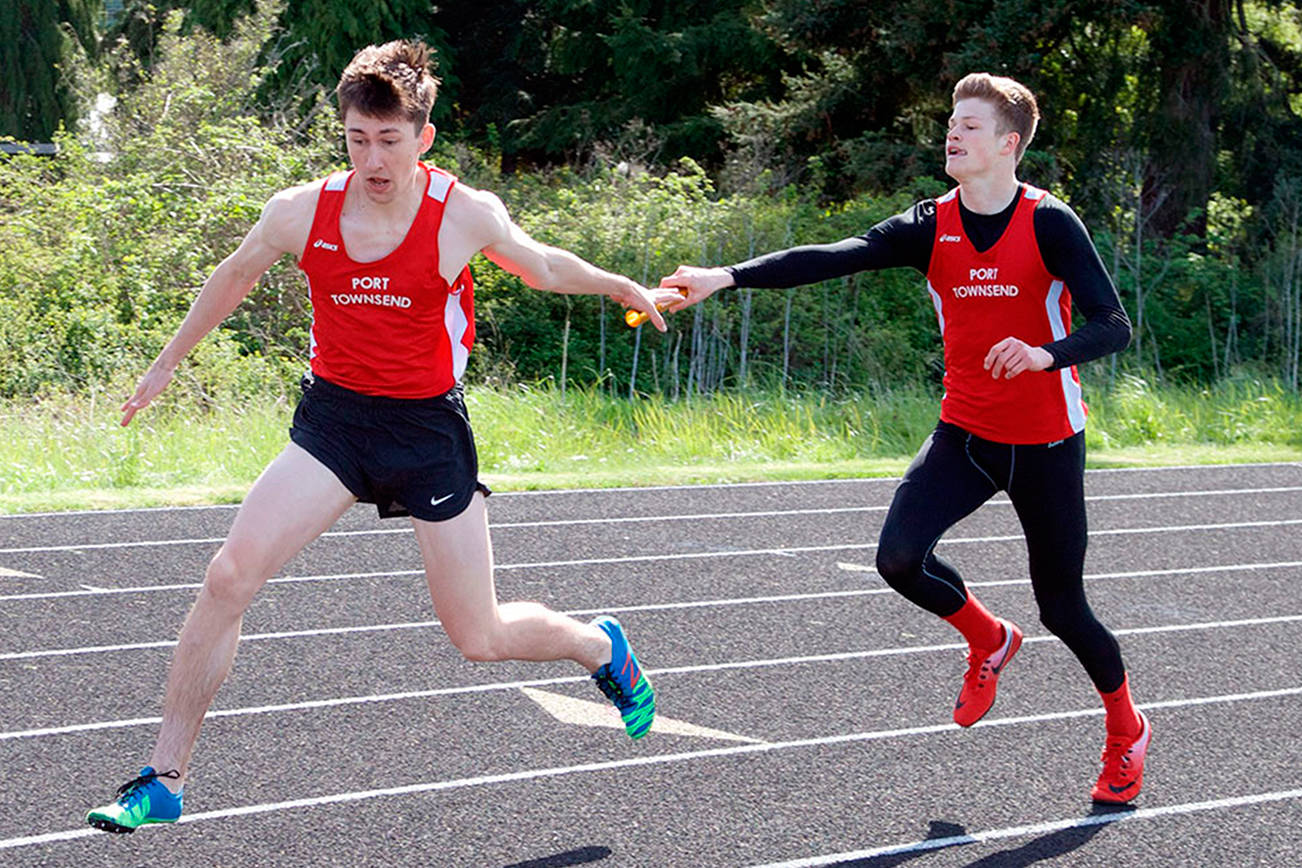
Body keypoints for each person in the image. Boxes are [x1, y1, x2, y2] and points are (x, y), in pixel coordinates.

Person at [86, 40, 660, 834]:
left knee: (479, 635)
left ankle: (598, 646)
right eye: (358, 140)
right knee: (228, 576)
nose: (373, 159)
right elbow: (234, 273)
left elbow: (541, 267)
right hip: (335, 424)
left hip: (426, 431)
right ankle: (164, 778)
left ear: (423, 137)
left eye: (389, 141)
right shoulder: (301, 211)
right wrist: (165, 366)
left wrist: (615, 281)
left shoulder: (463, 213)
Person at [659, 73, 1149, 804]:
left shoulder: (1051, 222)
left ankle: (1126, 728)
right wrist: (723, 276)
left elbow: (1115, 325)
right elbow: (834, 255)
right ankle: (987, 637)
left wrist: (1045, 353)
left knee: (1062, 608)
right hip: (967, 433)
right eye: (951, 121)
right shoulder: (930, 224)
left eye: (971, 126)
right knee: (897, 558)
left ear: (1009, 144)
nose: (953, 133)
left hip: (1046, 441)